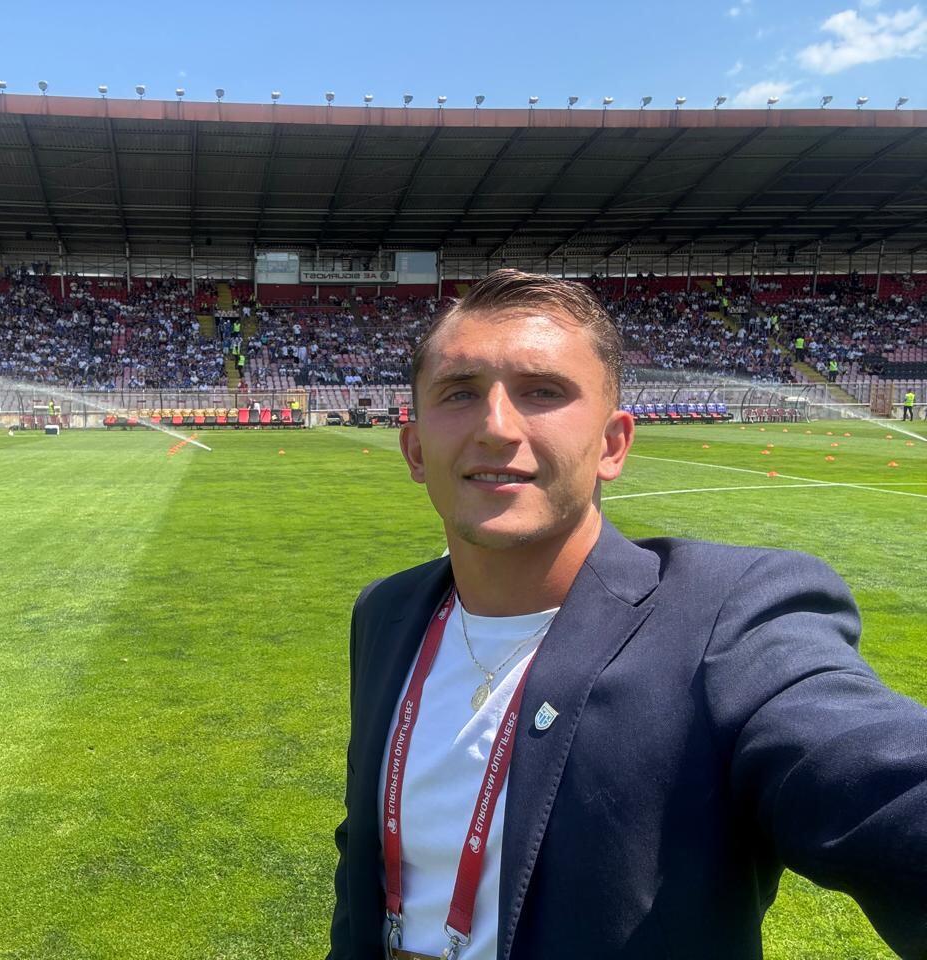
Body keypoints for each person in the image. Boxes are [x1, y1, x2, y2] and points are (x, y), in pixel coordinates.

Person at [328, 269, 927, 960]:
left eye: (543, 392)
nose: (496, 426)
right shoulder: (386, 612)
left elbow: (879, 783)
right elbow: (366, 848)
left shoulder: (727, 621)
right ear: (413, 449)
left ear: (614, 444)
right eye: (460, 393)